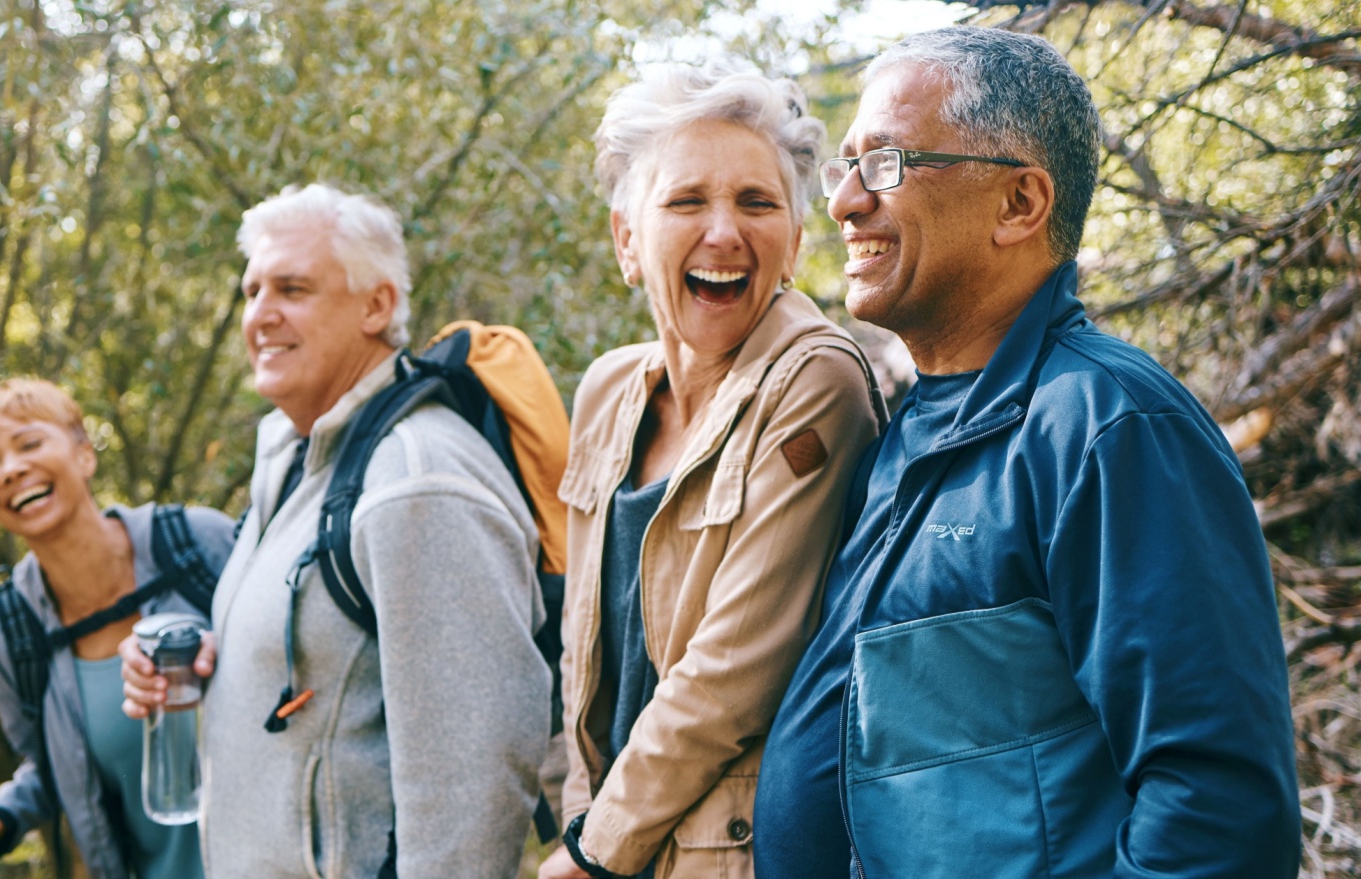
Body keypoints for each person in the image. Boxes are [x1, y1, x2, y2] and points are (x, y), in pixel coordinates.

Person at [753, 25, 1301, 879]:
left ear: (1020, 204)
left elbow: (1219, 804)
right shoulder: (909, 430)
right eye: (844, 166)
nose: (845, 202)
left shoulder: (1109, 427)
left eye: (888, 163)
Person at [119, 183, 551, 879]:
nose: (260, 315)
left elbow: (475, 772)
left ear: (377, 305)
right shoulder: (299, 458)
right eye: (251, 290)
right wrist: (215, 660)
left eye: (292, 288)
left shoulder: (415, 479)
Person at [538, 62, 883, 879]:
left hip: (736, 856)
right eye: (687, 201)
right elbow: (582, 654)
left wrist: (592, 853)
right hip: (614, 841)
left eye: (757, 203)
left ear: (796, 242)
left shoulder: (815, 382)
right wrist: (584, 822)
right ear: (628, 239)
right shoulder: (606, 392)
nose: (724, 233)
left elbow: (734, 671)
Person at [0, 378, 236, 879]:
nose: (12, 469)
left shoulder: (197, 544)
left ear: (84, 455)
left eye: (29, 444)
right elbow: (52, 767)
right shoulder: (11, 633)